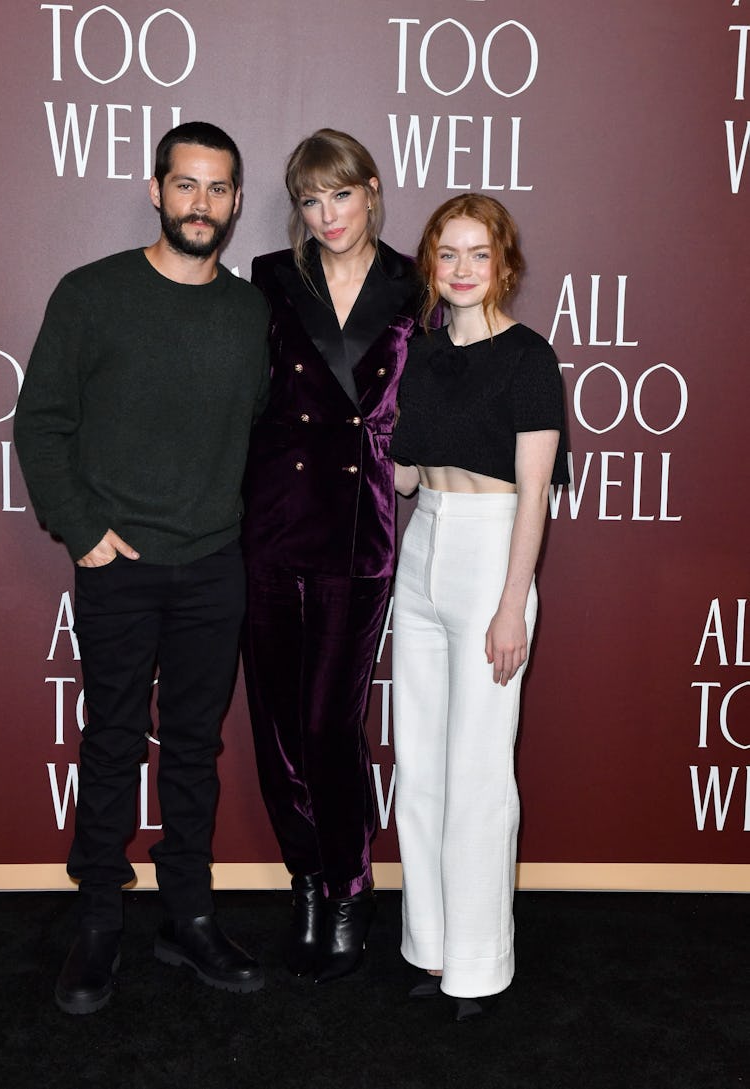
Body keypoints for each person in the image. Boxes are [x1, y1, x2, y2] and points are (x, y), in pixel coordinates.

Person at [13, 121, 270, 1015]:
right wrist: (83, 530)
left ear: (238, 203)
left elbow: (270, 439)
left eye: (218, 189)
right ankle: (97, 922)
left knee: (197, 750)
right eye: (186, 185)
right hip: (118, 564)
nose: (201, 203)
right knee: (114, 740)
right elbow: (40, 422)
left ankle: (188, 917)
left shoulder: (249, 315)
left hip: (213, 567)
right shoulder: (91, 294)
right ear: (156, 190)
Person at [240, 129, 430, 983]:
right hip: (276, 518)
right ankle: (307, 879)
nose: (328, 216)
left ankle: (351, 884)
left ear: (371, 190)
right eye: (311, 201)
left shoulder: (414, 283)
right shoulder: (274, 279)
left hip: (363, 526)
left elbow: (441, 393)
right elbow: (250, 391)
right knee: (277, 724)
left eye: (341, 195)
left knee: (327, 723)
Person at [390, 194, 569, 1021]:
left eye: (478, 254)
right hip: (422, 547)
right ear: (431, 263)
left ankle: (476, 963)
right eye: (447, 253)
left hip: (491, 553)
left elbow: (534, 493)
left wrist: (510, 606)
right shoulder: (418, 355)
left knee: (478, 773)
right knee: (418, 763)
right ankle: (428, 943)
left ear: (504, 265)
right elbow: (402, 473)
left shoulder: (531, 357)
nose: (462, 269)